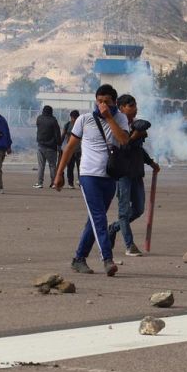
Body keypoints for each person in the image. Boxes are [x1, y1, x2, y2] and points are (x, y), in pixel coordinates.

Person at [55, 84, 130, 276]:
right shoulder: (84, 119)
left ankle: (79, 258)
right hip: (89, 175)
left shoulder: (120, 118)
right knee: (99, 218)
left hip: (109, 177)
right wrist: (59, 173)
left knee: (94, 220)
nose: (102, 105)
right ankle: (107, 259)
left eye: (107, 101)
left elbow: (123, 140)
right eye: (99, 101)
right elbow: (70, 147)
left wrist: (109, 118)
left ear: (114, 102)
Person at [105, 95, 159, 257]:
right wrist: (133, 137)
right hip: (122, 173)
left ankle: (113, 228)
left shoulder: (137, 126)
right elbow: (121, 148)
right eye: (131, 106)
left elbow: (138, 150)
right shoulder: (116, 125)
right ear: (121, 108)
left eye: (135, 105)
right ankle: (129, 245)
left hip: (136, 172)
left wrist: (150, 163)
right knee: (124, 211)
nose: (135, 109)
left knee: (138, 209)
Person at [34, 105, 62, 189]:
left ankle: (39, 183)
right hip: (51, 147)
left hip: (40, 146)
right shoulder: (53, 121)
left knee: (41, 166)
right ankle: (53, 183)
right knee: (52, 165)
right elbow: (57, 134)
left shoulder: (39, 118)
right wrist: (59, 145)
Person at [61, 110, 82, 188]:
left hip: (79, 150)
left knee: (80, 167)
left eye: (75, 118)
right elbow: (63, 135)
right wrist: (59, 145)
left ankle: (81, 181)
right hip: (70, 150)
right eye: (73, 118)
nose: (74, 119)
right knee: (70, 167)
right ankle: (70, 183)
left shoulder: (81, 125)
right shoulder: (67, 125)